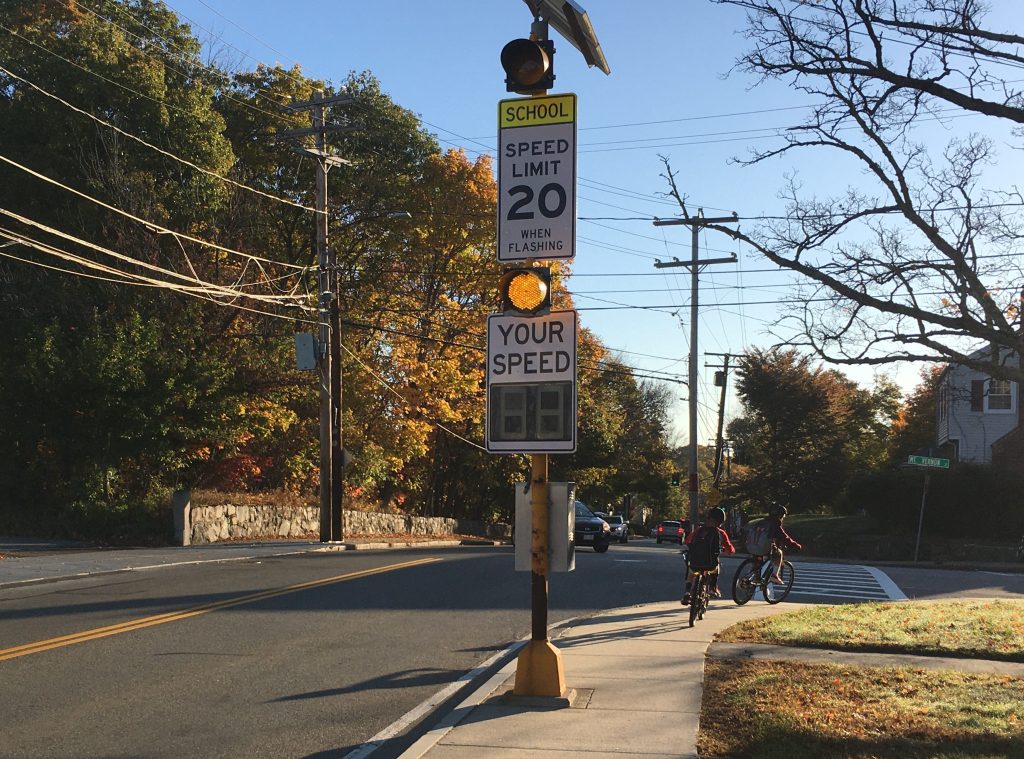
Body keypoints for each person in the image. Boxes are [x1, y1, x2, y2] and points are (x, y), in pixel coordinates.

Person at [681, 507, 735, 605]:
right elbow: (730, 549)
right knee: (716, 567)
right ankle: (713, 588)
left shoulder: (698, 530)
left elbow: (688, 541)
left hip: (695, 563)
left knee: (691, 573)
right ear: (720, 522)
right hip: (710, 564)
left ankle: (687, 591)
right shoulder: (720, 533)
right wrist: (729, 551)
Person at [765, 503, 802, 583]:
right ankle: (774, 575)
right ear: (780, 515)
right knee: (779, 554)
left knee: (758, 562)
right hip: (765, 546)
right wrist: (795, 545)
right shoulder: (775, 524)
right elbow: (785, 537)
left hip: (753, 545)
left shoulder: (764, 521)